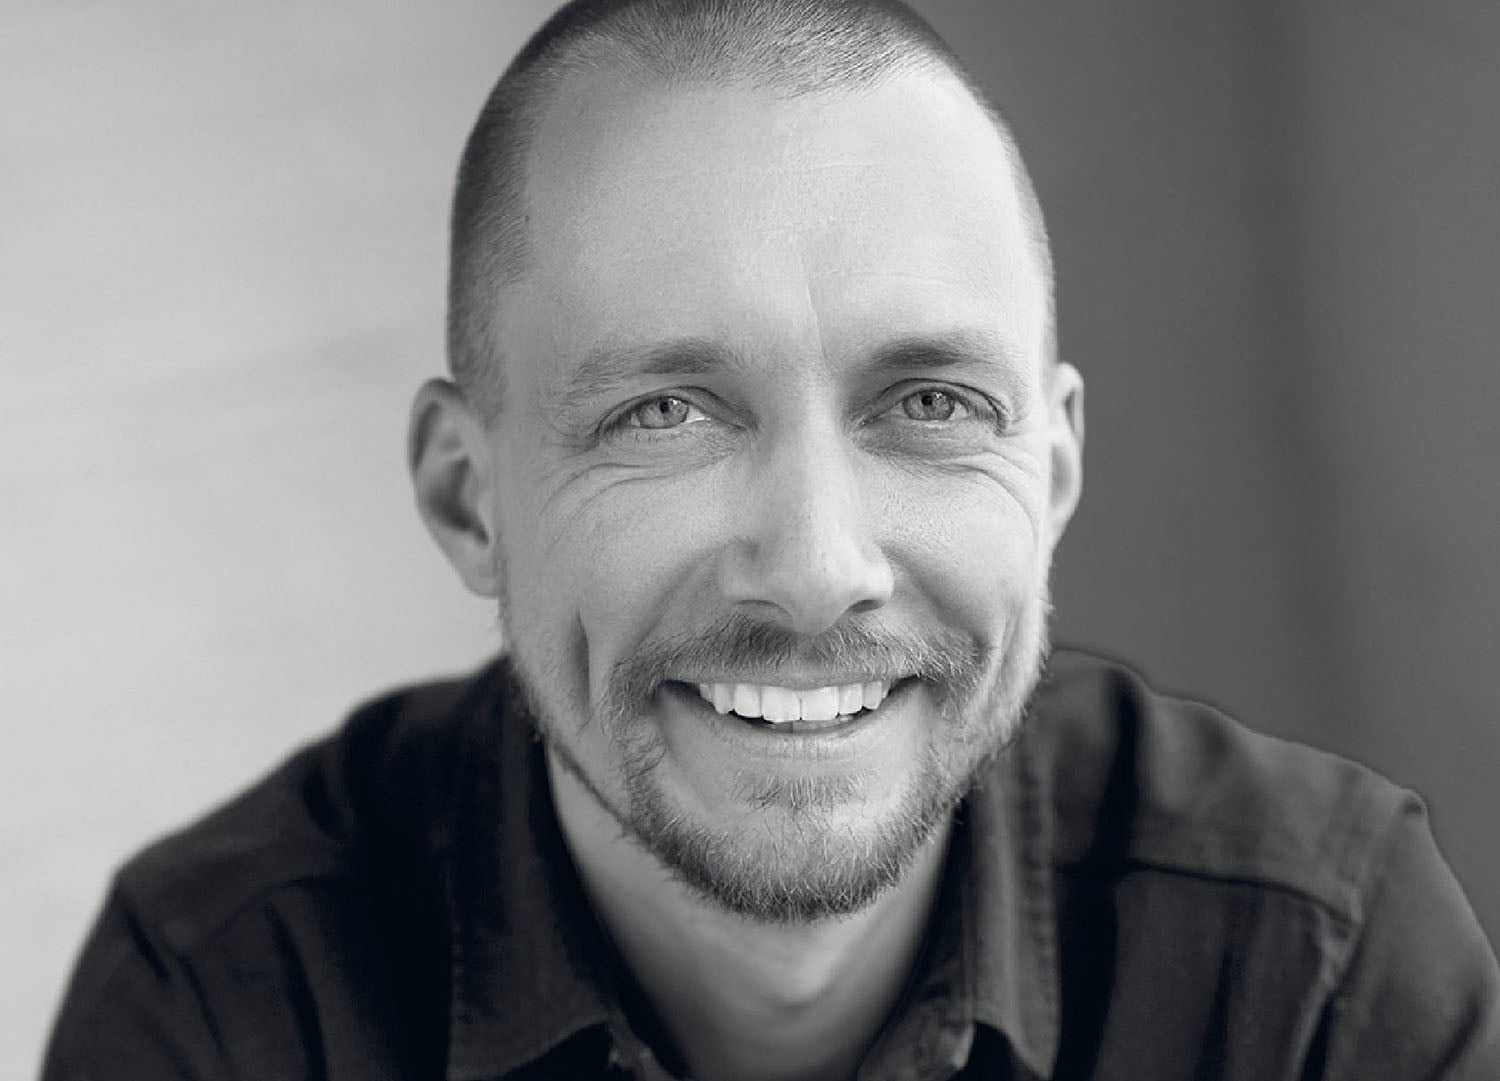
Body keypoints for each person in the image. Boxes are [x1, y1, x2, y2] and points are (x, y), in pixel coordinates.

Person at [42, 1, 1500, 1078]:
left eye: (931, 405)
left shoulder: (1318, 970)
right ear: (467, 499)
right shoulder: (224, 1008)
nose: (816, 568)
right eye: (666, 413)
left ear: (1051, 471)